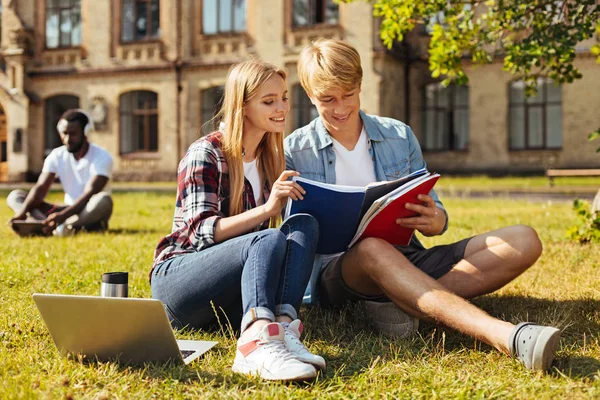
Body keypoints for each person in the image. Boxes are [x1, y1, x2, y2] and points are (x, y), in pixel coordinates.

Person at [284, 39, 561, 372]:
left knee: (523, 240)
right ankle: (508, 337)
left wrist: (436, 219)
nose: (341, 108)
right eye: (327, 100)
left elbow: (435, 209)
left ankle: (398, 298)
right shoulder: (294, 150)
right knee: (372, 248)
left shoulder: (398, 135)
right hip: (337, 275)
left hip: (407, 257)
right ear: (310, 95)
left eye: (349, 95)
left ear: (360, 86)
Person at [150, 60, 325, 381]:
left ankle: (283, 328)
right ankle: (254, 344)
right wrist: (268, 209)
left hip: (229, 295)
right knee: (267, 238)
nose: (282, 107)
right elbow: (202, 234)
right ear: (242, 106)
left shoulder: (273, 158)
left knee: (304, 223)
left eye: (284, 97)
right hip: (181, 285)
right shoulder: (206, 153)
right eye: (269, 101)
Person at [7, 109, 113, 236]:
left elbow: (89, 194)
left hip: (86, 209)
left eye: (72, 134)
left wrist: (62, 217)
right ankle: (44, 225)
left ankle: (65, 227)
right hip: (66, 208)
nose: (67, 139)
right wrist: (22, 212)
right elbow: (40, 188)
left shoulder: (102, 156)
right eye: (64, 134)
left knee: (104, 200)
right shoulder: (57, 155)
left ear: (86, 132)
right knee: (15, 196)